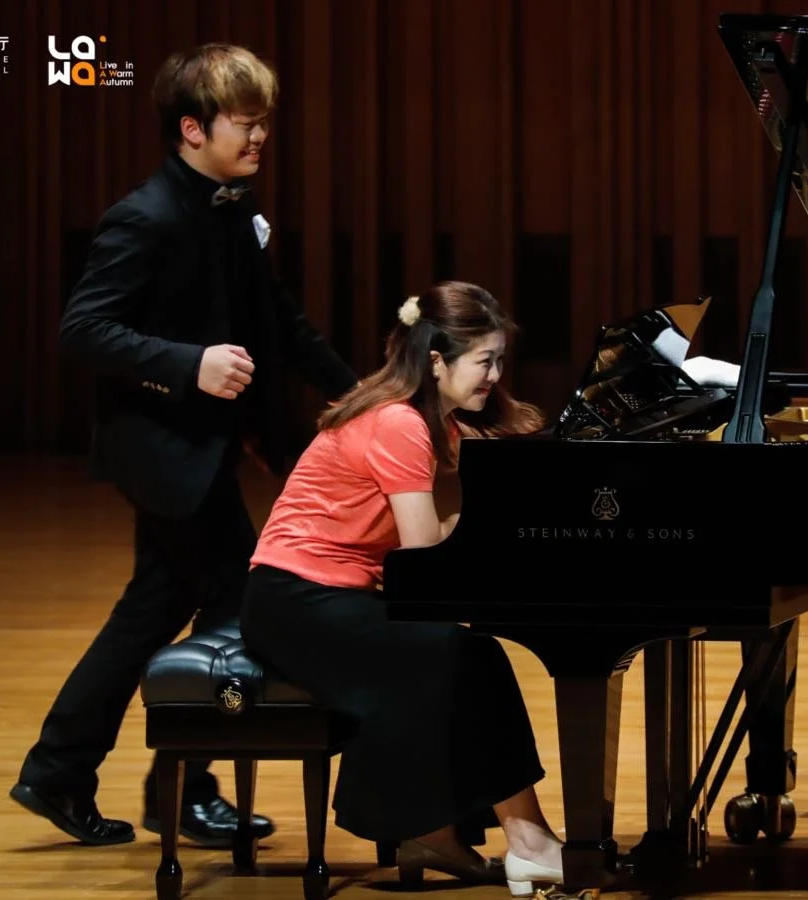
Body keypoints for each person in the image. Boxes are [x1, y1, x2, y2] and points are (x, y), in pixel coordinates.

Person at [10, 43, 358, 848]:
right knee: (238, 594)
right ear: (192, 129)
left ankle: (67, 771)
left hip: (197, 448)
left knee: (155, 608)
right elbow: (81, 330)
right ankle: (180, 782)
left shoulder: (228, 207)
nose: (262, 136)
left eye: (265, 121)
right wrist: (186, 365)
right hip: (161, 447)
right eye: (247, 122)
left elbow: (279, 323)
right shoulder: (146, 215)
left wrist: (358, 393)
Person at [240, 281, 566, 894]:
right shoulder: (398, 423)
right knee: (460, 653)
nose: (495, 374)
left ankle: (448, 830)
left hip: (335, 594)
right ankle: (521, 839)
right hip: (295, 600)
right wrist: (499, 527)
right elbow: (421, 555)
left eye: (500, 360)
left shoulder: (432, 420)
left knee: (467, 653)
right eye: (484, 361)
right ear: (437, 360)